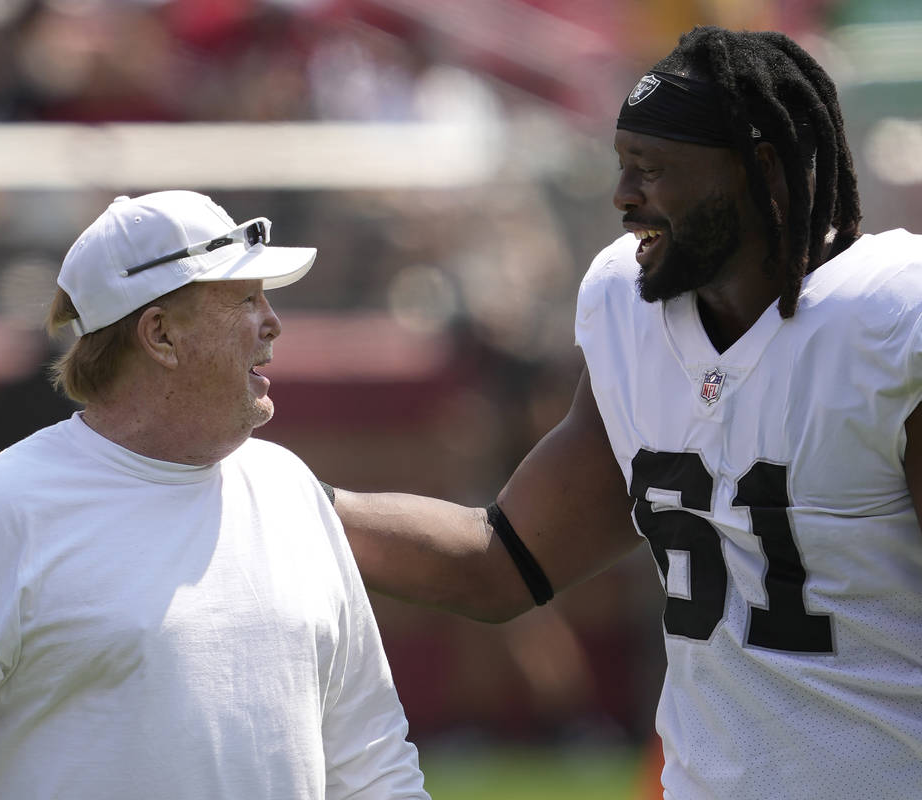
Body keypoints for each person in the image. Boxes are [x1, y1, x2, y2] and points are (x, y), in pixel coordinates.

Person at [330, 26, 922, 800]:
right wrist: (286, 504)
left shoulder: (884, 321)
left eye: (653, 169)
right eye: (622, 163)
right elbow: (501, 562)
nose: (623, 195)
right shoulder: (629, 311)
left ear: (760, 172)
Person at [0, 190, 430, 800]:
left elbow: (371, 763)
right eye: (246, 300)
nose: (273, 322)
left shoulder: (292, 492)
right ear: (161, 335)